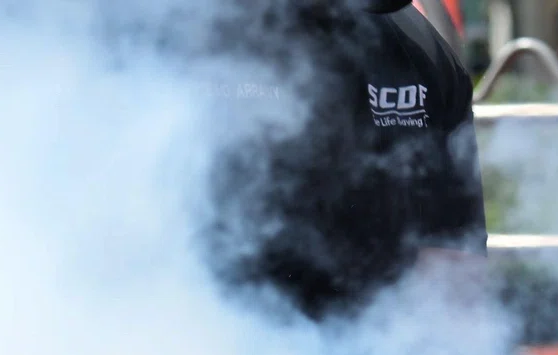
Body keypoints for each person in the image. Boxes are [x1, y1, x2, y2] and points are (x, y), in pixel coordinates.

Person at [198, 0, 488, 322]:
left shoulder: (425, 57)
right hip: (221, 347)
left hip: (381, 346)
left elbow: (452, 258)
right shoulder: (203, 38)